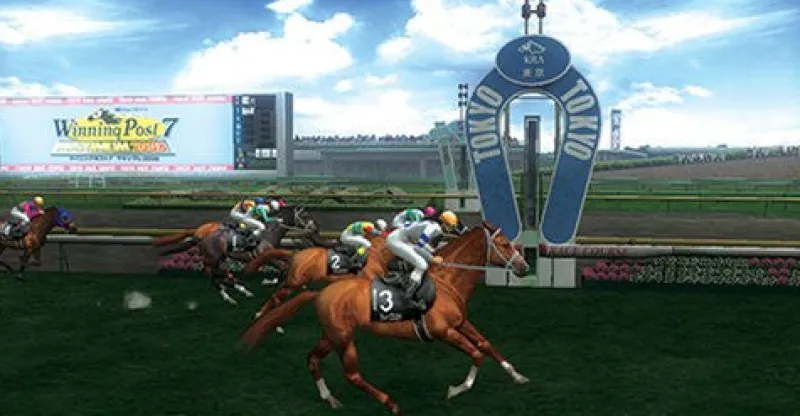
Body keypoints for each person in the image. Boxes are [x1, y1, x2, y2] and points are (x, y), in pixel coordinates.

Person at [386, 210, 459, 306]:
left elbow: (421, 245)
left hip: (404, 240)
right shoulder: (433, 228)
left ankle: (401, 276)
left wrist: (431, 255)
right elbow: (418, 247)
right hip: (397, 241)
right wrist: (431, 258)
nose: (450, 230)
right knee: (422, 265)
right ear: (444, 223)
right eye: (450, 227)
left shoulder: (433, 226)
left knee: (422, 259)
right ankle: (406, 297)